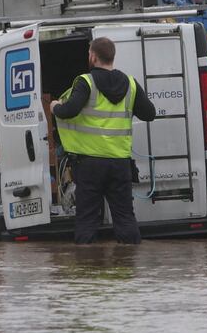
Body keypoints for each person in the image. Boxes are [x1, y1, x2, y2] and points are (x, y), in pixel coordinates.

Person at [51, 37, 156, 244]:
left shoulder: (85, 82)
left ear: (92, 56)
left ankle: (88, 268)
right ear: (112, 57)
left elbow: (69, 111)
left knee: (87, 220)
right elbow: (149, 113)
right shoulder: (131, 84)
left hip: (90, 165)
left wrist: (55, 106)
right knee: (125, 218)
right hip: (120, 164)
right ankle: (128, 267)